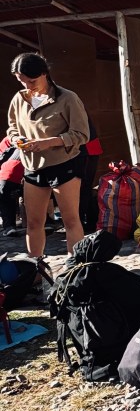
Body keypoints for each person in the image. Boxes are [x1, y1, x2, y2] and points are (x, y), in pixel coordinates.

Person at [7, 52, 89, 265]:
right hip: (32, 167)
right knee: (33, 223)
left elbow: (82, 134)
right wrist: (17, 140)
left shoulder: (67, 98)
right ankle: (34, 270)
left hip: (63, 165)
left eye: (31, 81)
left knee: (71, 220)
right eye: (21, 81)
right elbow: (12, 127)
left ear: (44, 74)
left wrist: (50, 142)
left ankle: (76, 269)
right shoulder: (19, 98)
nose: (27, 86)